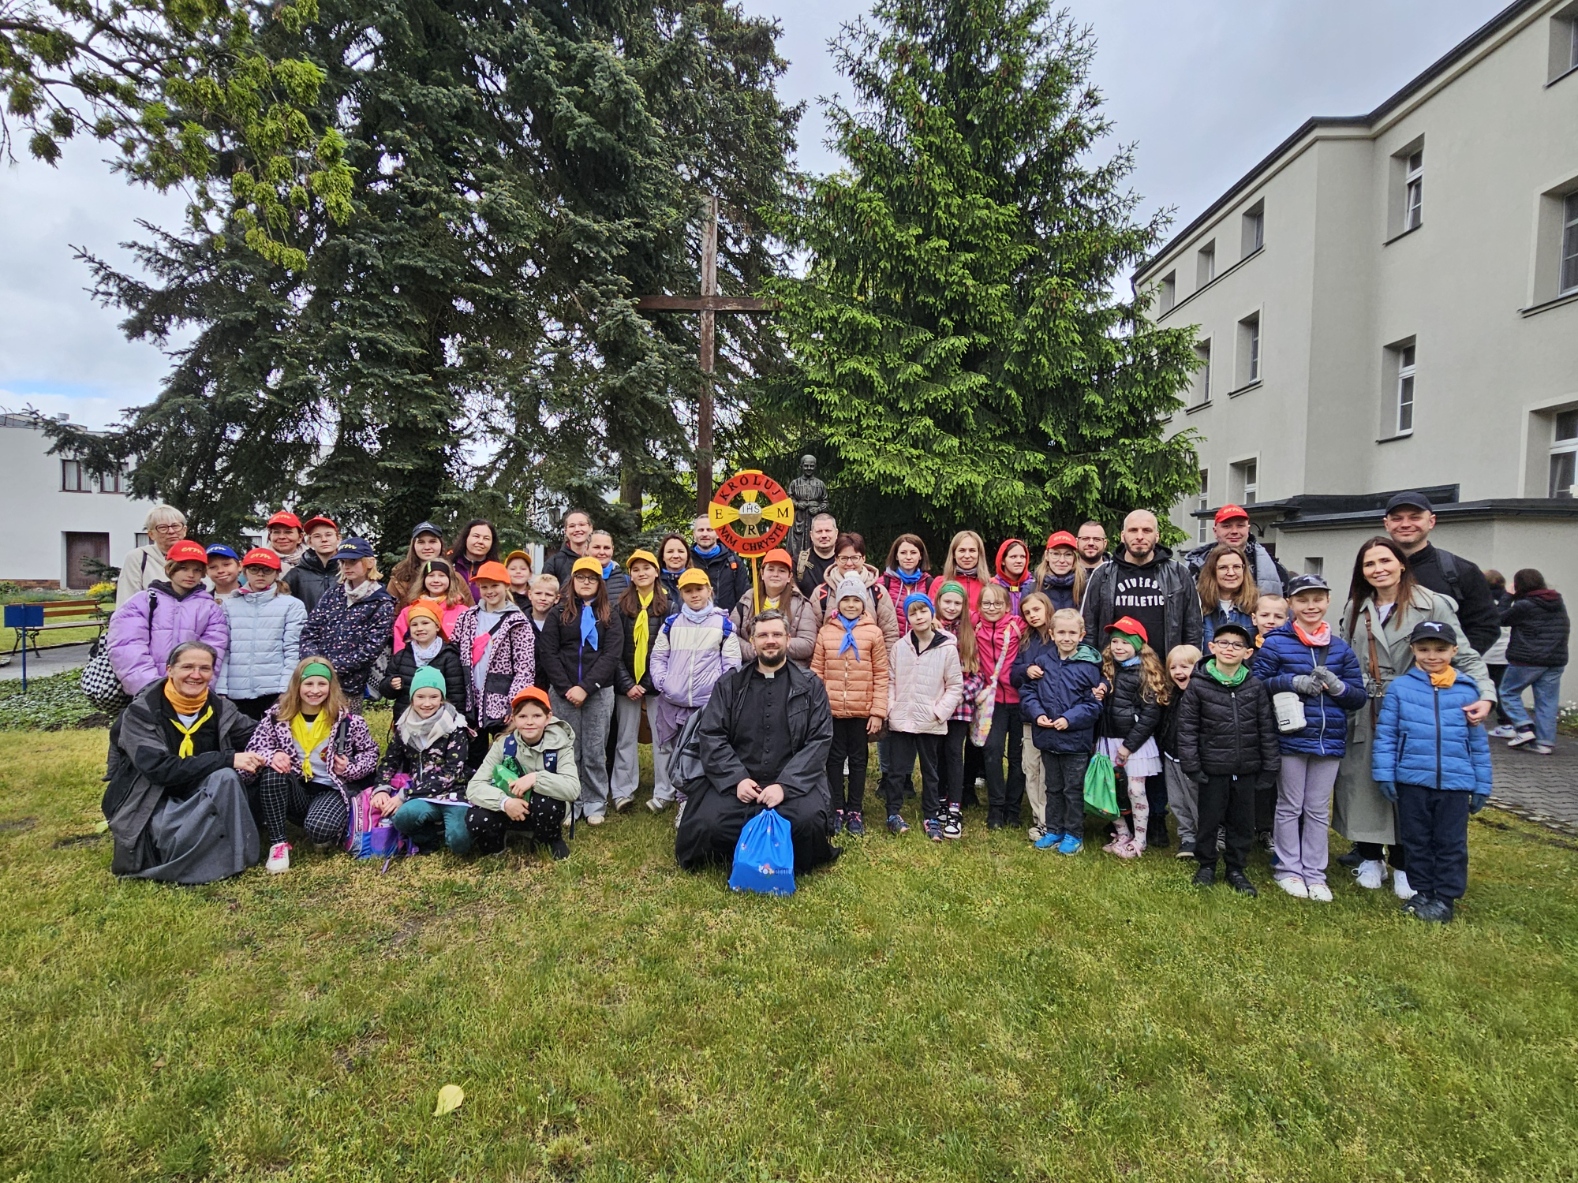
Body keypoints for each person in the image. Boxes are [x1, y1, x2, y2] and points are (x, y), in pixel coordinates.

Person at [1334, 536, 1495, 898]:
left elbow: (1464, 654)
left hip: (1415, 707)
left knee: (1408, 786)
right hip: (1365, 706)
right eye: (1370, 564)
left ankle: (1405, 863)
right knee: (1364, 784)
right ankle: (1370, 856)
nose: (1379, 569)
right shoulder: (1357, 606)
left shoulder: (1432, 603)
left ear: (1401, 564)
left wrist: (1486, 694)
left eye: (1385, 561)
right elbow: (1345, 655)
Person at [675, 611, 838, 876]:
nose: (770, 640)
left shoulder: (810, 685)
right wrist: (736, 779)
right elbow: (712, 734)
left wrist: (785, 787)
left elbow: (819, 740)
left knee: (807, 823)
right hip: (738, 782)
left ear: (788, 639)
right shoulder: (730, 683)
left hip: (791, 783)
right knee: (708, 824)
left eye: (776, 634)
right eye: (763, 635)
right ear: (752, 641)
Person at [102, 641, 263, 883]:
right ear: (170, 670)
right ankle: (202, 857)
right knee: (166, 835)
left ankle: (237, 855)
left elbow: (258, 734)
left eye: (204, 668)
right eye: (187, 667)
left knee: (226, 777)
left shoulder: (220, 708)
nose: (196, 675)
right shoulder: (141, 713)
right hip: (154, 795)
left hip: (199, 789)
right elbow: (159, 770)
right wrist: (227, 758)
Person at [1253, 574, 1367, 901]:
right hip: (1290, 736)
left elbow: (1358, 697)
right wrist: (1292, 681)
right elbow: (1258, 684)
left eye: (1317, 599)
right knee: (1290, 805)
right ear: (1291, 604)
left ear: (1327, 601)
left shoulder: (1341, 648)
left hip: (1328, 740)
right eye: (1302, 600)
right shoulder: (1276, 643)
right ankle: (1288, 869)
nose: (1310, 606)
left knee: (1317, 808)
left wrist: (1340, 687)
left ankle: (1315, 873)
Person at [1372, 620, 1493, 923]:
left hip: (1454, 783)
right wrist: (1385, 773)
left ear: (1454, 651)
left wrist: (1481, 784)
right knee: (1416, 840)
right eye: (1424, 649)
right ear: (1413, 650)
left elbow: (1478, 743)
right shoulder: (1400, 689)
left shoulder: (1467, 690)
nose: (1432, 656)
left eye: (1440, 649)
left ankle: (1445, 897)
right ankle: (1423, 891)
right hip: (1412, 779)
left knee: (1450, 842)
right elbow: (1386, 735)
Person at [244, 658, 380, 873]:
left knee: (319, 829)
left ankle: (325, 825)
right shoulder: (277, 718)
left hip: (329, 788)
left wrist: (350, 768)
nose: (315, 691)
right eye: (308, 684)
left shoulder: (348, 721)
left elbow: (370, 754)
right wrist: (272, 755)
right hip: (294, 787)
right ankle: (278, 844)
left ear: (331, 686)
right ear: (297, 685)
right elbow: (254, 750)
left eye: (321, 684)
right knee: (273, 772)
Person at [1177, 621, 1280, 896]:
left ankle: (1236, 868)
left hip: (1246, 768)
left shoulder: (1254, 686)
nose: (1229, 648)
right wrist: (1191, 764)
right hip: (1212, 769)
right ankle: (1206, 865)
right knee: (1209, 820)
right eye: (1223, 643)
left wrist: (1270, 766)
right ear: (1212, 647)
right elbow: (1187, 729)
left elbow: (1266, 728)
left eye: (1237, 645)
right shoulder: (1198, 686)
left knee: (1242, 822)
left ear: (1248, 652)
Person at [650, 568, 741, 820]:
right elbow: (658, 657)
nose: (694, 595)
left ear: (709, 590)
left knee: (705, 753)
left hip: (707, 705)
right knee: (679, 754)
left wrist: (719, 693)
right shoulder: (672, 624)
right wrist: (664, 683)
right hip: (675, 702)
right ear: (681, 594)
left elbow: (732, 665)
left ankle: (705, 800)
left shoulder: (723, 625)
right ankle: (683, 801)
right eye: (688, 590)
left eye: (699, 589)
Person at [539, 556, 623, 823]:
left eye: (592, 578)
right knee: (568, 748)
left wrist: (586, 687)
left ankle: (595, 800)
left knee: (595, 749)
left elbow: (611, 654)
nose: (586, 582)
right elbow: (548, 652)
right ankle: (570, 799)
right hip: (563, 691)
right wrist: (567, 688)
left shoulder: (610, 614)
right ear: (572, 580)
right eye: (581, 577)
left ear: (600, 582)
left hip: (598, 691)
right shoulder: (558, 613)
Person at [810, 576, 890, 837]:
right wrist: (818, 707)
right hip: (832, 710)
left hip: (861, 710)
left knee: (858, 760)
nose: (851, 605)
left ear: (864, 603)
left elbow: (881, 674)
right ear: (838, 602)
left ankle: (855, 808)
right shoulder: (826, 632)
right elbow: (817, 672)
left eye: (856, 600)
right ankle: (837, 806)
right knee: (833, 759)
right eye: (846, 600)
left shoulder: (873, 633)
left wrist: (877, 711)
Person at [1022, 607, 1103, 855]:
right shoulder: (1043, 662)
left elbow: (1093, 704)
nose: (1066, 638)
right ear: (1052, 634)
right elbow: (1028, 692)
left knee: (1072, 790)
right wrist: (1037, 714)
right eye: (1061, 633)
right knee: (1052, 788)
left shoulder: (1089, 667)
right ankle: (1054, 829)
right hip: (1048, 738)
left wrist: (1069, 719)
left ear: (1081, 635)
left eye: (1072, 633)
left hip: (1075, 742)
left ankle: (1074, 834)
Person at [464, 687, 577, 860]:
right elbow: (474, 787)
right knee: (476, 817)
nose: (529, 722)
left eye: (537, 716)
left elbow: (573, 789)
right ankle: (496, 847)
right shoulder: (502, 744)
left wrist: (535, 778)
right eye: (523, 716)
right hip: (510, 806)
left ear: (548, 718)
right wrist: (504, 802)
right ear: (514, 718)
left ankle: (548, 839)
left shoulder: (560, 744)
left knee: (547, 804)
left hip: (542, 807)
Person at [883, 593, 962, 839]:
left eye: (923, 611)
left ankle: (931, 815)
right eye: (913, 613)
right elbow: (890, 680)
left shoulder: (947, 648)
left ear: (931, 613)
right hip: (901, 719)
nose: (919, 617)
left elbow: (955, 686)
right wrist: (891, 707)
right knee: (897, 770)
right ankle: (893, 813)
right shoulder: (900, 647)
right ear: (907, 618)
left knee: (930, 771)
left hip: (930, 720)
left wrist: (939, 712)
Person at [1382, 491, 1500, 655]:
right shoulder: (1371, 572)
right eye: (1397, 518)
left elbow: (1486, 627)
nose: (1405, 524)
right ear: (1386, 524)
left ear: (1431, 521)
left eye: (1415, 517)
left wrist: (1450, 661)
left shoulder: (1461, 571)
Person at [372, 665, 474, 855]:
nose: (427, 703)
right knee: (401, 818)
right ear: (412, 698)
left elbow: (451, 774)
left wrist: (403, 795)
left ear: (442, 698)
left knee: (459, 843)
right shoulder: (404, 726)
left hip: (455, 795)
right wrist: (381, 788)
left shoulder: (456, 727)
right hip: (421, 795)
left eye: (434, 697)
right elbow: (390, 761)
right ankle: (429, 838)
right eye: (420, 697)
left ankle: (452, 830)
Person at [107, 539, 229, 697]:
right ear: (170, 568)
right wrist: (151, 688)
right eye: (183, 568)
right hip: (148, 693)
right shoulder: (142, 602)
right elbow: (127, 647)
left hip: (190, 693)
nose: (190, 575)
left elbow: (213, 652)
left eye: (197, 570)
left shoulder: (210, 609)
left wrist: (195, 686)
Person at [1082, 510, 1203, 659]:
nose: (1140, 536)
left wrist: (1189, 666)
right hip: (1113, 669)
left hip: (1165, 668)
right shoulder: (1103, 574)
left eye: (1146, 530)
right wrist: (1092, 668)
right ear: (1123, 536)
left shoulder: (1178, 573)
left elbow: (1193, 629)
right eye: (1133, 530)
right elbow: (1089, 628)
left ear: (1157, 536)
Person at [1095, 617, 1168, 857]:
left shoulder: (1146, 673)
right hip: (1107, 739)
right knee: (1110, 790)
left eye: (1125, 642)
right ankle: (1122, 832)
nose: (1118, 647)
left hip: (1134, 743)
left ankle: (1140, 839)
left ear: (1137, 645)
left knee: (1135, 790)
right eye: (1115, 641)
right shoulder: (1106, 669)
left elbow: (1150, 715)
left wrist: (1128, 746)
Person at [450, 560, 536, 762]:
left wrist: (515, 703)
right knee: (474, 755)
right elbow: (453, 651)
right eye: (484, 587)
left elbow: (525, 667)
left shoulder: (518, 621)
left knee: (505, 755)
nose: (489, 591)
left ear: (506, 585)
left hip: (502, 701)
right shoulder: (467, 617)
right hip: (471, 700)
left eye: (494, 585)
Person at [298, 538, 397, 707]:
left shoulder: (382, 602)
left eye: (353, 561)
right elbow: (309, 631)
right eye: (343, 562)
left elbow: (369, 650)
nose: (346, 566)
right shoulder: (333, 594)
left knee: (346, 724)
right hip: (316, 681)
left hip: (349, 687)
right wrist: (314, 663)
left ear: (369, 562)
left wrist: (330, 668)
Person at [216, 547, 307, 720]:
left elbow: (293, 649)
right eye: (254, 569)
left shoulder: (292, 605)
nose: (260, 574)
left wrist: (286, 688)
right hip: (236, 691)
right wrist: (221, 688)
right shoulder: (229, 604)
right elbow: (224, 650)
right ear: (244, 572)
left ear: (277, 573)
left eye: (267, 570)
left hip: (275, 691)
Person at [612, 550, 670, 812]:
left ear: (656, 572)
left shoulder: (669, 605)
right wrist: (627, 683)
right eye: (635, 569)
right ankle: (623, 790)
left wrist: (647, 682)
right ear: (631, 575)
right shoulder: (621, 606)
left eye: (647, 568)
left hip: (657, 683)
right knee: (625, 737)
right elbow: (614, 647)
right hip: (626, 683)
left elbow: (668, 649)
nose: (641, 573)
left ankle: (664, 790)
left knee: (662, 738)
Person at [934, 580, 986, 833]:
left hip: (960, 706)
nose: (952, 607)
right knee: (937, 753)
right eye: (947, 602)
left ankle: (955, 804)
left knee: (954, 751)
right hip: (935, 703)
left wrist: (960, 695)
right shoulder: (930, 629)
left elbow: (978, 674)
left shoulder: (969, 633)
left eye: (957, 603)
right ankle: (939, 799)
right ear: (938, 602)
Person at [1499, 568, 1569, 755]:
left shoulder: (1525, 605)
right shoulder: (1557, 602)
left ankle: (1524, 728)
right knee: (1547, 702)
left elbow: (1500, 618)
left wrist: (1507, 596)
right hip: (1555, 660)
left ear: (1519, 585)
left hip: (1527, 659)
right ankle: (1544, 743)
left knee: (1508, 692)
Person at [976, 582, 1026, 830]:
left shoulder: (1018, 626)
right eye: (986, 603)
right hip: (993, 703)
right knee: (992, 751)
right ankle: (996, 808)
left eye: (997, 603)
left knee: (1018, 757)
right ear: (979, 606)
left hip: (1020, 701)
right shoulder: (975, 626)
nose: (992, 607)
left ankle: (1013, 809)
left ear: (1007, 606)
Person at [1010, 592, 1056, 840]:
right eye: (1027, 613)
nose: (1032, 616)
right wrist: (1027, 670)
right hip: (1030, 714)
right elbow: (1013, 674)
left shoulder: (1060, 637)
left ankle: (1054, 819)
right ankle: (1040, 820)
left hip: (1057, 714)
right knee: (1032, 768)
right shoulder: (1026, 641)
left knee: (1051, 772)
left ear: (1047, 608)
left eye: (1037, 610)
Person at [732, 547, 819, 668]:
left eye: (782, 571)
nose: (775, 574)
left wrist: (774, 647)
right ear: (762, 574)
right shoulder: (747, 601)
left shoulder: (802, 605)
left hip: (789, 671)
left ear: (789, 576)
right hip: (752, 669)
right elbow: (730, 635)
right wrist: (755, 650)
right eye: (771, 569)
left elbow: (807, 643)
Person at [811, 533, 899, 650]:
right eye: (843, 558)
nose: (849, 563)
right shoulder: (821, 593)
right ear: (836, 559)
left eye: (854, 558)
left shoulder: (877, 593)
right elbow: (812, 637)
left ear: (863, 558)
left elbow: (890, 635)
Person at [381, 602, 467, 720]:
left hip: (439, 720)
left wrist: (453, 720)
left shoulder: (449, 657)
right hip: (407, 720)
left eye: (425, 623)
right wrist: (391, 685)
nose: (419, 628)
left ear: (437, 626)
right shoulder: (402, 656)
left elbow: (456, 694)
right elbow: (386, 691)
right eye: (414, 624)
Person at [1185, 504, 1289, 596]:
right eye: (1227, 526)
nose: (1234, 531)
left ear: (1248, 529)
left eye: (1240, 526)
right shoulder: (1196, 565)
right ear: (1215, 531)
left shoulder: (1273, 567)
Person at [1159, 645, 1203, 860]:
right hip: (1171, 755)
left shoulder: (1202, 694)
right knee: (1177, 800)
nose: (1178, 672)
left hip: (1193, 758)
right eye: (1173, 667)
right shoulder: (1173, 694)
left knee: (1196, 799)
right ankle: (1187, 837)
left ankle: (1205, 836)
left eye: (1185, 667)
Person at [391, 557, 472, 650]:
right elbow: (400, 644)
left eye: (441, 575)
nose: (436, 580)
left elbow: (469, 645)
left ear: (450, 580)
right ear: (423, 580)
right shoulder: (409, 611)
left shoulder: (463, 612)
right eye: (431, 575)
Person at [116, 504, 188, 605]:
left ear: (184, 530)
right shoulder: (138, 558)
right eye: (162, 527)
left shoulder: (196, 558)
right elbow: (127, 600)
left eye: (175, 526)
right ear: (151, 534)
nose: (171, 531)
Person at [1197, 545, 1258, 647]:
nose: (1231, 573)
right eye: (1223, 567)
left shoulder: (1257, 604)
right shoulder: (1198, 604)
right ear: (1212, 571)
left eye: (1236, 567)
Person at [284, 515, 342, 612]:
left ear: (338, 538)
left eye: (328, 535)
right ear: (310, 542)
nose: (324, 539)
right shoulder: (296, 574)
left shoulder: (347, 571)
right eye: (317, 536)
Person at [878, 534, 931, 638]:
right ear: (896, 556)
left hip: (922, 643)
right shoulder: (883, 583)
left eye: (913, 552)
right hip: (891, 643)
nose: (908, 557)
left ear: (920, 556)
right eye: (903, 553)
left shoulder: (929, 583)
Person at [690, 515, 747, 609]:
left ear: (717, 534)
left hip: (727, 617)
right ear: (694, 534)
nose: (705, 534)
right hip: (691, 618)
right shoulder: (686, 561)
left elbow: (744, 597)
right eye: (701, 530)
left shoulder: (733, 561)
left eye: (709, 530)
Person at [386, 522, 449, 602]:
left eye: (432, 541)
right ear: (413, 545)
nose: (427, 547)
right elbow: (389, 608)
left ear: (441, 544)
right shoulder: (399, 578)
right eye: (421, 542)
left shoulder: (455, 577)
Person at [927, 530, 988, 613]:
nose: (967, 556)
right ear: (954, 554)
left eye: (972, 550)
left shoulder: (989, 584)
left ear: (979, 554)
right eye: (962, 550)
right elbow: (932, 615)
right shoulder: (939, 583)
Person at [787, 454, 829, 559]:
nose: (809, 468)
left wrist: (818, 509)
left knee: (814, 540)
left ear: (815, 466)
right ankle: (795, 562)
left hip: (815, 519)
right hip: (799, 519)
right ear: (801, 466)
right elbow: (788, 499)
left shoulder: (820, 484)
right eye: (806, 465)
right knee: (796, 545)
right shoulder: (794, 483)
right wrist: (797, 504)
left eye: (811, 466)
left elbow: (826, 502)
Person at [449, 519, 500, 600]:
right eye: (476, 536)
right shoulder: (449, 564)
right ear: (466, 537)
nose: (480, 541)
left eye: (486, 538)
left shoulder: (497, 571)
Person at [542, 509, 594, 586]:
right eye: (572, 526)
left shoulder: (599, 558)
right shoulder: (554, 563)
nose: (577, 529)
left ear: (590, 528)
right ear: (566, 531)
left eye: (582, 524)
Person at [526, 574, 559, 687]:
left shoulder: (562, 625)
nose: (543, 598)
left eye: (548, 594)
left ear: (557, 598)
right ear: (530, 594)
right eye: (538, 593)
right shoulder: (520, 623)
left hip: (554, 686)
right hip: (528, 685)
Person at [796, 513, 840, 597]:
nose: (824, 535)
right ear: (811, 535)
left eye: (828, 531)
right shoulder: (797, 563)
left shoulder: (848, 563)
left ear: (836, 533)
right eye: (819, 531)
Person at [1035, 531, 1080, 610]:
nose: (1062, 560)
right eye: (1056, 554)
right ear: (1047, 555)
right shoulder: (1032, 589)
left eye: (1068, 554)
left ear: (1074, 558)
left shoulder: (1084, 587)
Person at [991, 538, 1035, 614]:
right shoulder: (992, 585)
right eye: (1013, 557)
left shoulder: (1034, 585)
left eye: (1022, 557)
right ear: (1003, 561)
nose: (1019, 561)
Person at [1072, 520, 1110, 607]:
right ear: (1077, 542)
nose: (1091, 543)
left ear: (1104, 543)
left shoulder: (1115, 573)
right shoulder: (1066, 573)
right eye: (1085, 539)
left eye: (1097, 539)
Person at [586, 530, 629, 604]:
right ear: (587, 549)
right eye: (596, 547)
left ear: (612, 550)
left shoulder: (627, 581)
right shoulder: (575, 579)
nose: (602, 552)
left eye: (606, 548)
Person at [266, 510, 307, 576]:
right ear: (270, 536)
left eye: (288, 532)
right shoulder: (259, 562)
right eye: (276, 532)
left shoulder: (313, 561)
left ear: (300, 537)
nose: (281, 537)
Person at [657, 533, 693, 603]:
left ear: (687, 556)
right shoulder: (654, 582)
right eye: (670, 551)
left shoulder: (698, 580)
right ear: (663, 556)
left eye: (681, 551)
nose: (676, 556)